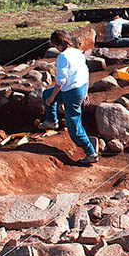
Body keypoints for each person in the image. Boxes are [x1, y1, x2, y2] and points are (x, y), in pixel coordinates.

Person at [39, 30, 98, 165]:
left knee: (74, 126)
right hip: (80, 87)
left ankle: (91, 153)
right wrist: (86, 92)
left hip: (72, 92)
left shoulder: (63, 57)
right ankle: (51, 121)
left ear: (56, 44)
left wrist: (52, 98)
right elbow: (85, 72)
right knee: (46, 93)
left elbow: (61, 81)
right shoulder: (77, 52)